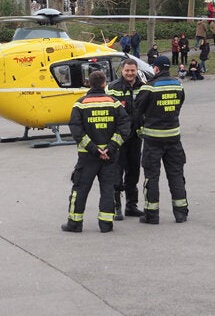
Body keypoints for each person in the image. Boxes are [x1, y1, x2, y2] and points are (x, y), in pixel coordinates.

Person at [62, 71, 131, 233]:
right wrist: (110, 148)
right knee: (107, 189)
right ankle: (106, 224)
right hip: (110, 156)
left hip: (87, 157)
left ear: (89, 84)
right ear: (104, 84)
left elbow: (76, 130)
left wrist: (94, 149)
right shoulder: (114, 103)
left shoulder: (80, 104)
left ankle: (74, 223)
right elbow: (125, 127)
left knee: (80, 188)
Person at [135, 55, 188, 224]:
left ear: (156, 69)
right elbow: (179, 105)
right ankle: (181, 213)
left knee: (152, 177)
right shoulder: (178, 85)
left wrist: (140, 129)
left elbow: (137, 111)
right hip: (173, 137)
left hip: (153, 139)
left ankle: (152, 215)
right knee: (176, 175)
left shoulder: (148, 88)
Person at [106, 59, 144, 221]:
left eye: (132, 71)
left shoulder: (142, 87)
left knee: (134, 170)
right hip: (118, 138)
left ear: (136, 70)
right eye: (127, 70)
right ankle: (116, 207)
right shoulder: (112, 88)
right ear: (122, 70)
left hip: (136, 136)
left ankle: (131, 205)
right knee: (116, 172)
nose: (130, 73)